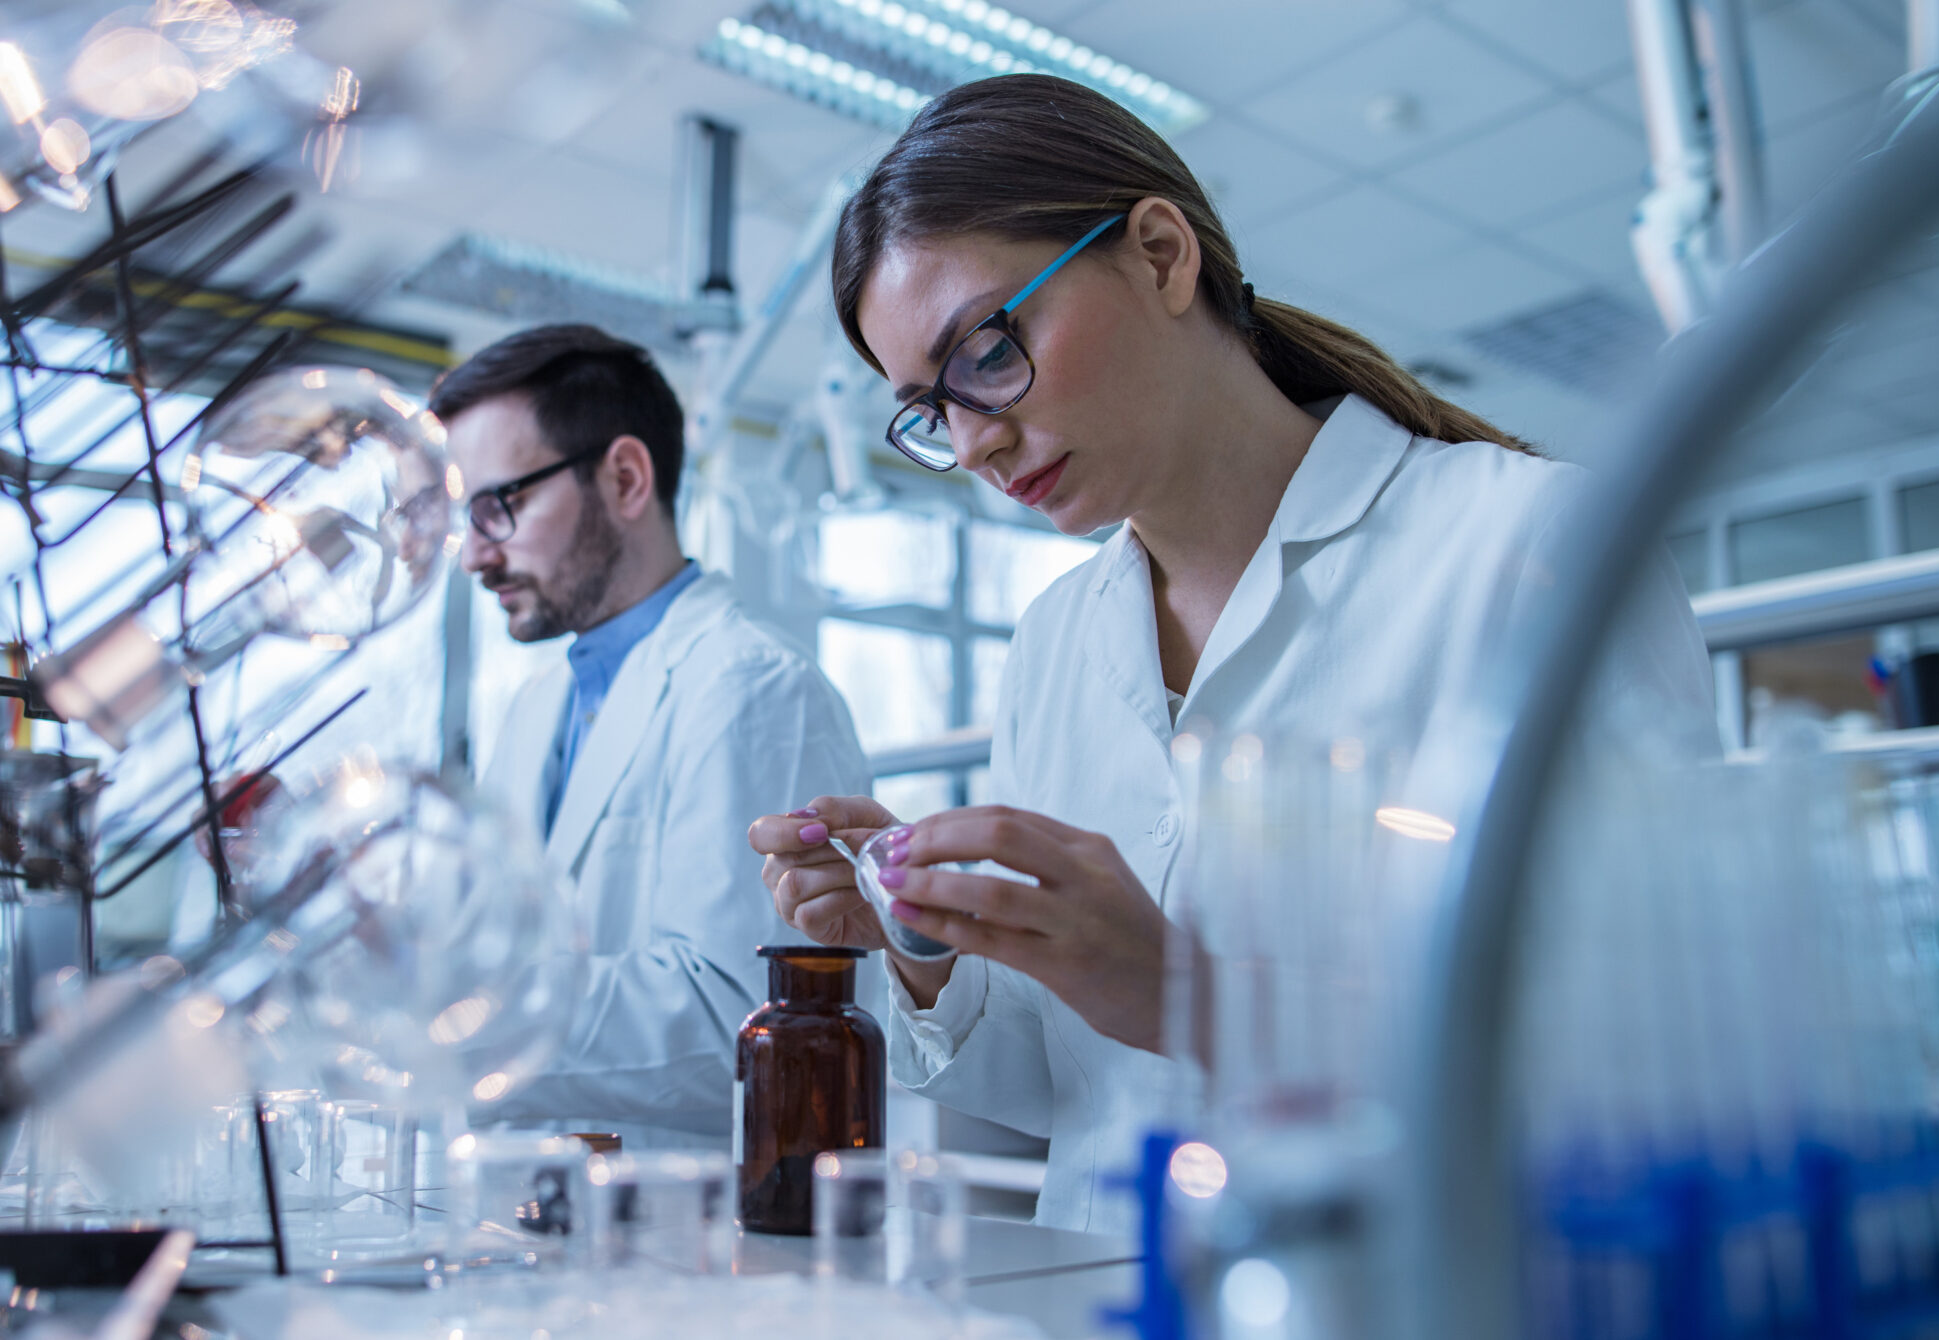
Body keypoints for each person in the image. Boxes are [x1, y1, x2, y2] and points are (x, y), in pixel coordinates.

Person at [748, 74, 1715, 1232]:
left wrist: (1196, 999)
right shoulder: (1057, 640)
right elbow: (1072, 1087)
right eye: (928, 411)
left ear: (1159, 255)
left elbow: (1662, 1059)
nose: (977, 436)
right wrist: (916, 946)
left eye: (989, 351)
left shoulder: (1533, 547)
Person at [436, 323, 870, 1149]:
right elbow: (506, 946)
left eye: (500, 507)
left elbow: (737, 1020)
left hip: (697, 1225)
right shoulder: (539, 706)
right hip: (541, 1201)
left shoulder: (749, 687)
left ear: (626, 478)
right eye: (468, 517)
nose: (473, 557)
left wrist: (452, 1016)